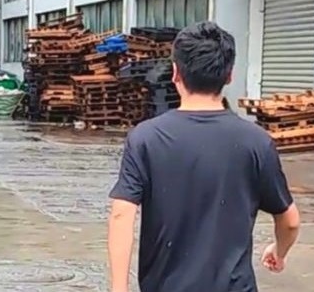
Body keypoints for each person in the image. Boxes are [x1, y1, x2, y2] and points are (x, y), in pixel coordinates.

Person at [107, 21, 301, 292]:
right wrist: (279, 251)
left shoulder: (145, 138)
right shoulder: (256, 141)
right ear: (229, 75)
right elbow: (290, 221)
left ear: (175, 73)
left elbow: (121, 215)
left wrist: (119, 288)